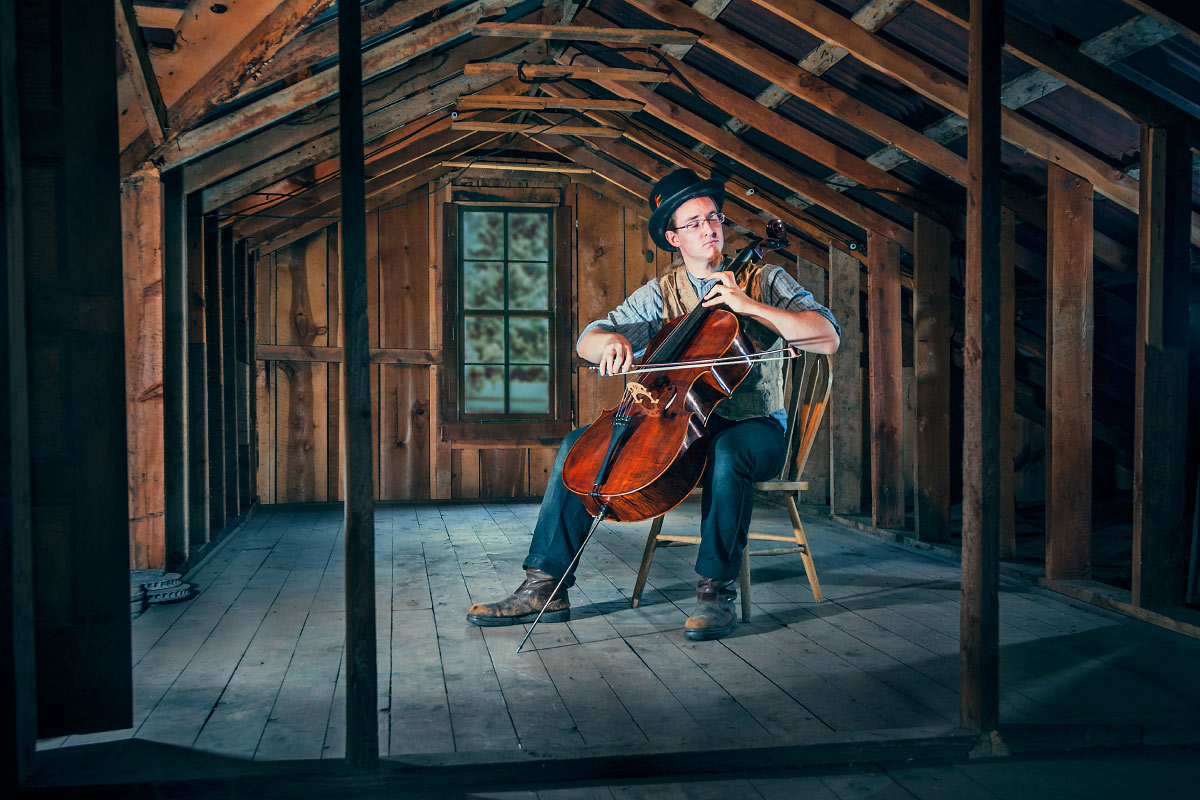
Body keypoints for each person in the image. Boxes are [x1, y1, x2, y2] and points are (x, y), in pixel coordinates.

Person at [466, 169, 840, 641]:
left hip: (754, 425)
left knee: (729, 453)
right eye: (695, 222)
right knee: (577, 445)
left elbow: (827, 337)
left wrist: (750, 308)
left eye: (714, 218)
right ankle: (544, 585)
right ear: (672, 237)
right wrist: (611, 343)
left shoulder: (764, 280)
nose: (710, 229)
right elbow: (586, 339)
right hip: (677, 424)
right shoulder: (661, 295)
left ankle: (715, 591)